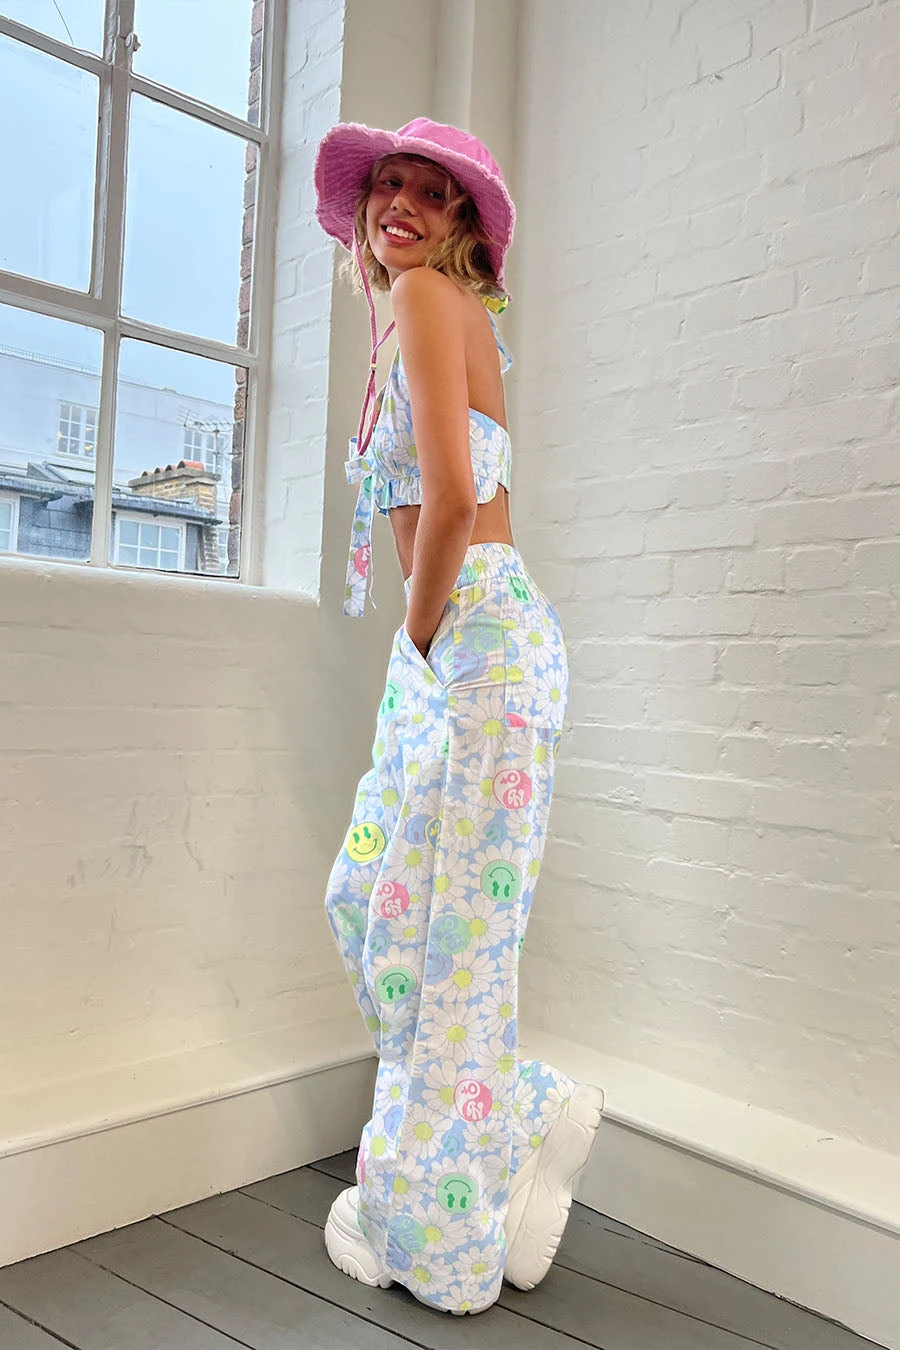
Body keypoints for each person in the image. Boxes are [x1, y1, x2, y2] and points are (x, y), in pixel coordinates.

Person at [314, 118, 604, 1317]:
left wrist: (423, 639)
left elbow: (448, 498)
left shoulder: (431, 298)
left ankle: (436, 1237)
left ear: (459, 227)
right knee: (374, 904)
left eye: (431, 194)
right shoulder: (406, 317)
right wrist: (422, 646)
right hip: (457, 641)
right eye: (388, 184)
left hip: (469, 639)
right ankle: (515, 1116)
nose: (402, 203)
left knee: (446, 946)